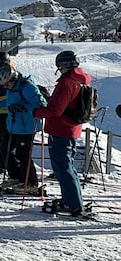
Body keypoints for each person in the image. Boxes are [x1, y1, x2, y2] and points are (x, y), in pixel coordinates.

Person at [34, 50, 91, 214]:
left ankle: (72, 203)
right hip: (71, 128)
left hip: (61, 129)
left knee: (62, 168)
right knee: (68, 166)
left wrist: (36, 112)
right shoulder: (80, 80)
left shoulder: (67, 82)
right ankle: (73, 200)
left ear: (62, 65)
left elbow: (56, 110)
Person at [0, 63, 45, 193]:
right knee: (5, 149)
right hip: (12, 125)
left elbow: (42, 104)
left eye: (6, 84)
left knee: (22, 154)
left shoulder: (27, 87)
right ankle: (16, 177)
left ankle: (31, 183)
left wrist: (23, 108)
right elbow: (9, 102)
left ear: (13, 79)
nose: (5, 87)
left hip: (26, 127)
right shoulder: (11, 88)